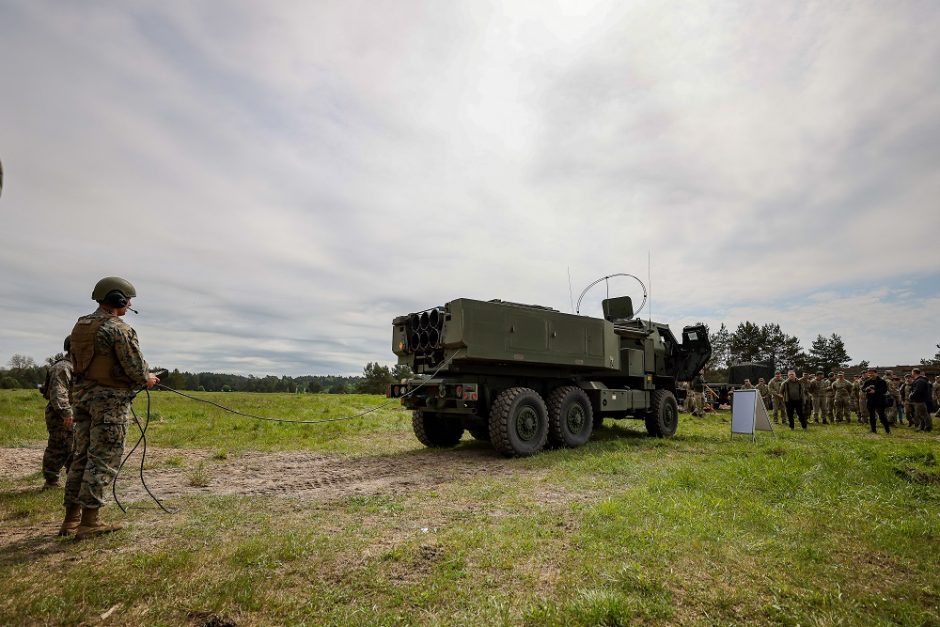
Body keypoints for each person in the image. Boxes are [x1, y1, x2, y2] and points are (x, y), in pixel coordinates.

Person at [59, 277, 159, 539]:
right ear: (117, 299)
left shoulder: (81, 325)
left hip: (82, 399)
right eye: (128, 300)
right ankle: (90, 522)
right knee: (102, 459)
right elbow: (136, 368)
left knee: (81, 456)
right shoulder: (118, 329)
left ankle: (71, 519)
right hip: (109, 403)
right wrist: (147, 378)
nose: (129, 304)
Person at [40, 336, 74, 489]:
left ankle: (73, 479)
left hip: (74, 414)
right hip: (61, 415)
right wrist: (66, 413)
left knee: (75, 447)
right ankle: (51, 481)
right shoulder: (63, 367)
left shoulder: (78, 366)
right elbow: (58, 393)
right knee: (59, 447)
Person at [862, 369, 890, 434]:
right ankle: (873, 430)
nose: (870, 374)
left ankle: (887, 430)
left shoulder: (881, 381)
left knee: (882, 416)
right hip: (870, 400)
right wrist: (866, 389)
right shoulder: (867, 381)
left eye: (872, 373)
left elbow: (884, 390)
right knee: (871, 416)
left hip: (879, 400)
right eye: (869, 373)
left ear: (876, 373)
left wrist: (875, 391)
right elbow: (863, 389)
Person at [908, 368, 932, 432]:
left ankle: (928, 428)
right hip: (918, 400)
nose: (911, 373)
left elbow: (918, 390)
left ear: (914, 373)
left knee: (924, 415)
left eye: (912, 372)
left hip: (920, 400)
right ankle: (921, 427)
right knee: (920, 415)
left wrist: (911, 395)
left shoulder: (920, 381)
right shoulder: (919, 380)